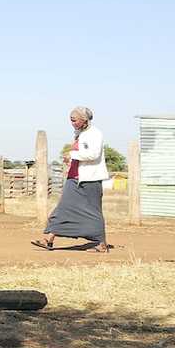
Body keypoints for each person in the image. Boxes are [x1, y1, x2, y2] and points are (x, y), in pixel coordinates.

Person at [32, 106, 110, 253]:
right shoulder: (79, 134)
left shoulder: (95, 134)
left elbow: (93, 154)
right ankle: (49, 239)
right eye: (71, 120)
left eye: (74, 120)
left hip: (90, 179)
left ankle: (101, 243)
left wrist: (73, 155)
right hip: (74, 178)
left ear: (84, 120)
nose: (72, 123)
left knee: (93, 211)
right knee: (63, 207)